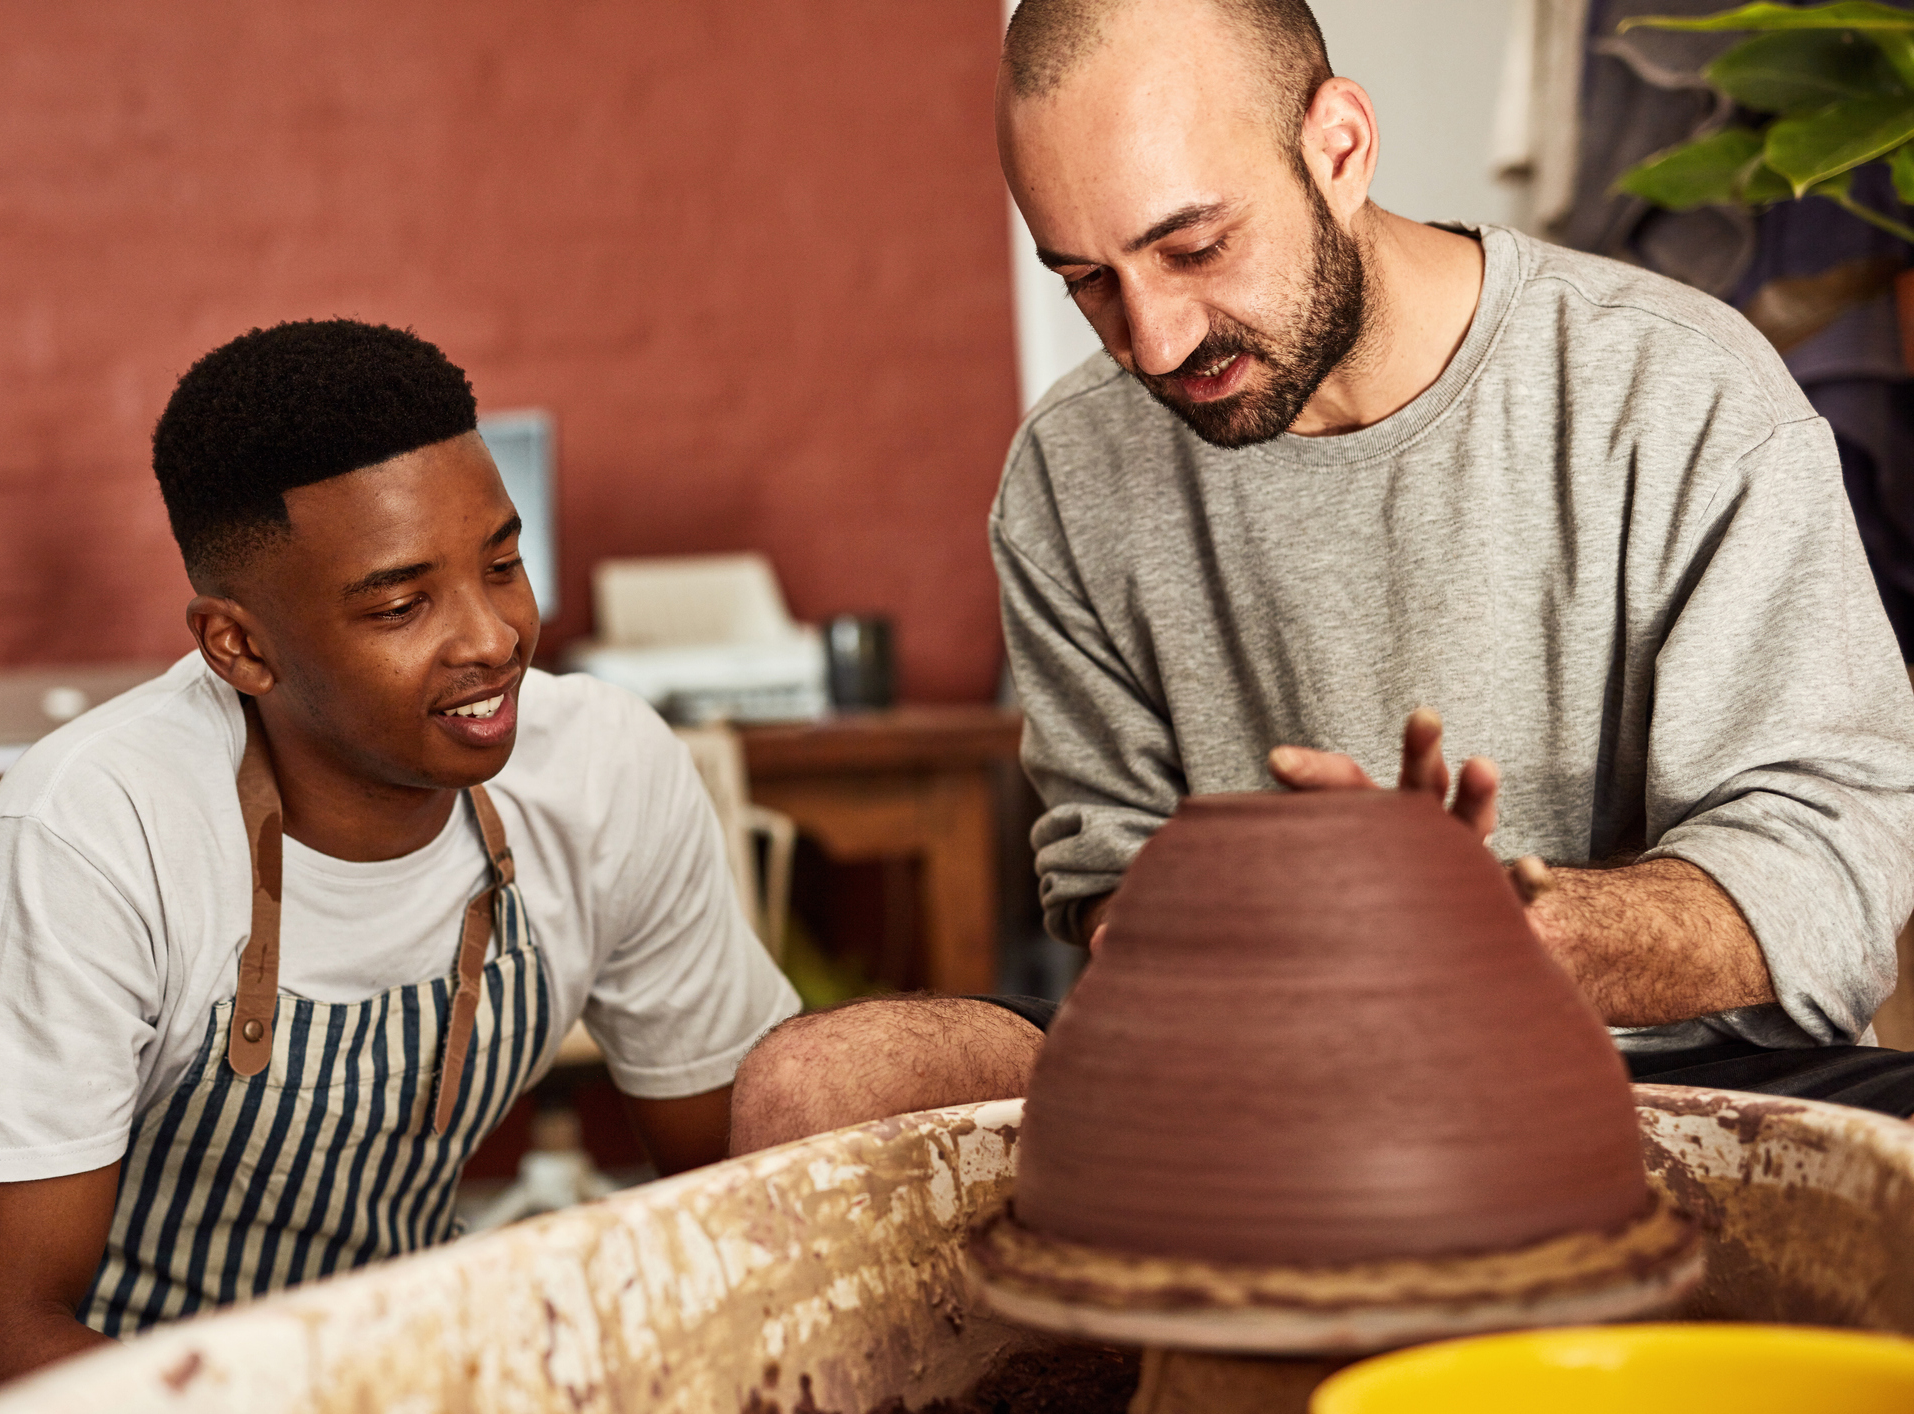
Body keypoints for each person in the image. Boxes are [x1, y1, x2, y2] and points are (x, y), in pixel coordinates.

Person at [730, 0, 1914, 1151]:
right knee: (820, 1085)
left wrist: (1497, 923)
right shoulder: (1068, 470)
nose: (1155, 341)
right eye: (1087, 280)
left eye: (1192, 247)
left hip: (1668, 1080)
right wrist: (1264, 914)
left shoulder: (1679, 391)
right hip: (1259, 1078)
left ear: (1338, 146)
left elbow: (1828, 870)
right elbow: (1106, 878)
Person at [0, 320, 800, 1409]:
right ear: (239, 646)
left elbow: (757, 1193)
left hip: (409, 1363)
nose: (494, 637)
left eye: (504, 564)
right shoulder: (94, 835)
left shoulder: (602, 772)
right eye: (400, 604)